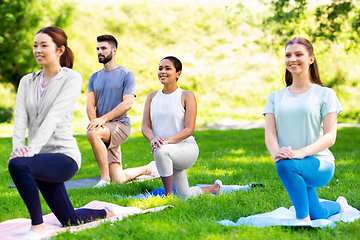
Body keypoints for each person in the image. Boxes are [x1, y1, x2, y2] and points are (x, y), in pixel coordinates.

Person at [8, 27, 118, 240]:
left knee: (18, 165)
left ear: (60, 50)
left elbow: (55, 116)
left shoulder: (71, 78)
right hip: (40, 159)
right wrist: (18, 147)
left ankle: (37, 228)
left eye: (44, 45)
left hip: (63, 157)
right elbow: (20, 118)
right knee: (69, 220)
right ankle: (106, 212)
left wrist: (30, 151)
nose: (38, 50)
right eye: (35, 45)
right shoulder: (26, 81)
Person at [263, 37, 359, 222]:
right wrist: (276, 153)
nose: (292, 59)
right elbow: (270, 133)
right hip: (293, 162)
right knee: (319, 214)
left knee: (286, 167)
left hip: (319, 163)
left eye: (299, 54)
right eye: (288, 55)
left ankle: (302, 220)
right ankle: (340, 206)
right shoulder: (275, 96)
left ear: (311, 59)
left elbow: (330, 136)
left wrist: (300, 153)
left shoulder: (325, 94)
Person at [141, 56, 221, 198]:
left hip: (185, 149)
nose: (162, 72)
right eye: (160, 68)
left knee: (160, 150)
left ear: (178, 73)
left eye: (168, 68)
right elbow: (145, 126)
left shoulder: (186, 95)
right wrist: (153, 139)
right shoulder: (152, 97)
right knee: (184, 196)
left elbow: (189, 129)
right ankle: (213, 189)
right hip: (166, 150)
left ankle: (168, 197)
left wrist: (165, 141)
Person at [87, 35, 158, 188]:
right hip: (103, 128)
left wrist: (102, 121)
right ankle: (150, 168)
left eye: (104, 48)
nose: (100, 51)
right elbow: (90, 105)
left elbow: (128, 104)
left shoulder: (126, 75)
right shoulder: (94, 77)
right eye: (98, 49)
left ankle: (104, 180)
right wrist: (95, 122)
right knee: (118, 178)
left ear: (114, 50)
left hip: (120, 126)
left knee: (93, 133)